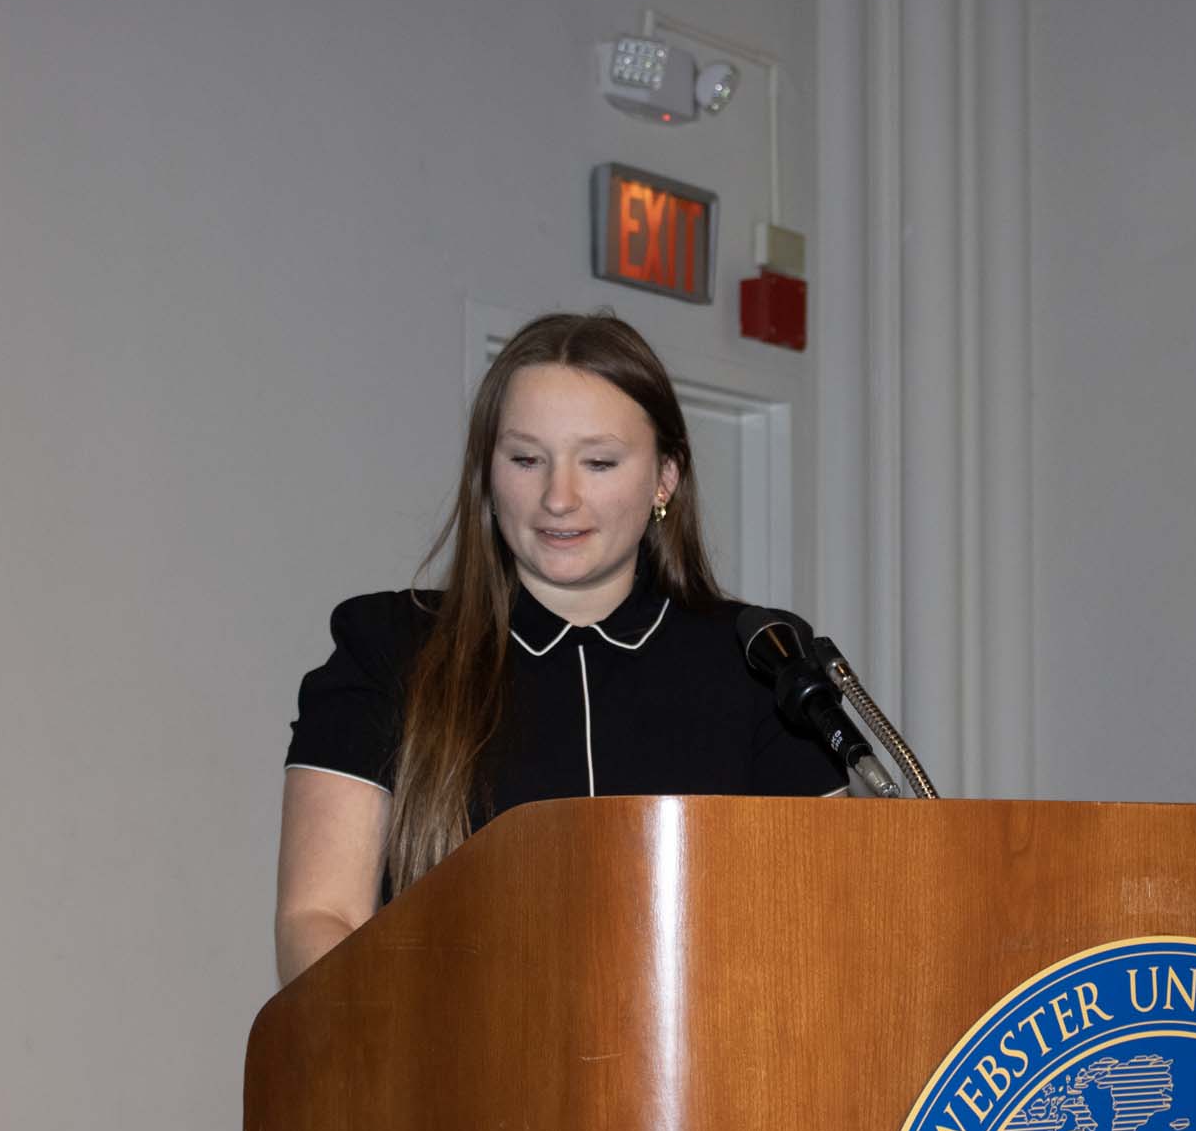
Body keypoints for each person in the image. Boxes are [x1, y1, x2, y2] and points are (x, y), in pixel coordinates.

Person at [275, 312, 847, 984]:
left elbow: (826, 920)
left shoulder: (759, 659)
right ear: (487, 472)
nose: (558, 497)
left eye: (598, 462)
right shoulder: (388, 646)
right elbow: (320, 916)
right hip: (444, 1051)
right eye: (526, 459)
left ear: (664, 477)